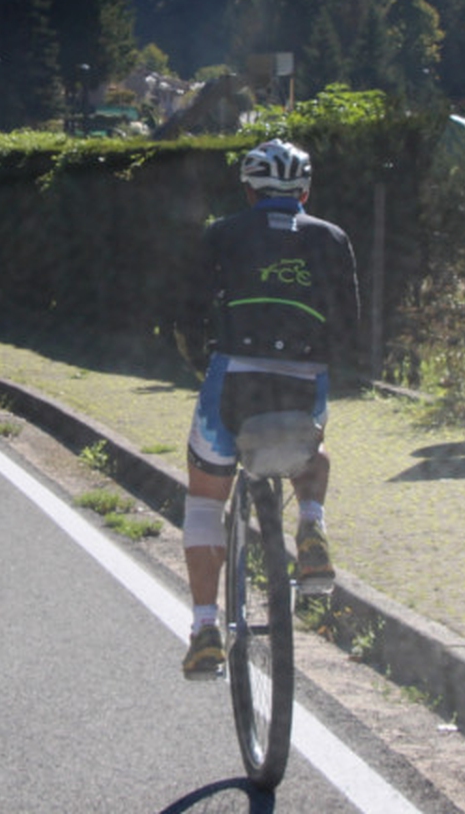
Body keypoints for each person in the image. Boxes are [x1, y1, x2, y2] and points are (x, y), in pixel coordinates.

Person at [176, 138, 360, 679]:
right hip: (305, 381)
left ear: (248, 189)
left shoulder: (222, 233)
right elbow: (349, 325)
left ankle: (205, 626)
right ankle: (311, 524)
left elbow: (188, 312)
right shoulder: (332, 238)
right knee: (314, 449)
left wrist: (195, 360)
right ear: (305, 191)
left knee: (206, 499)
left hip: (233, 379)